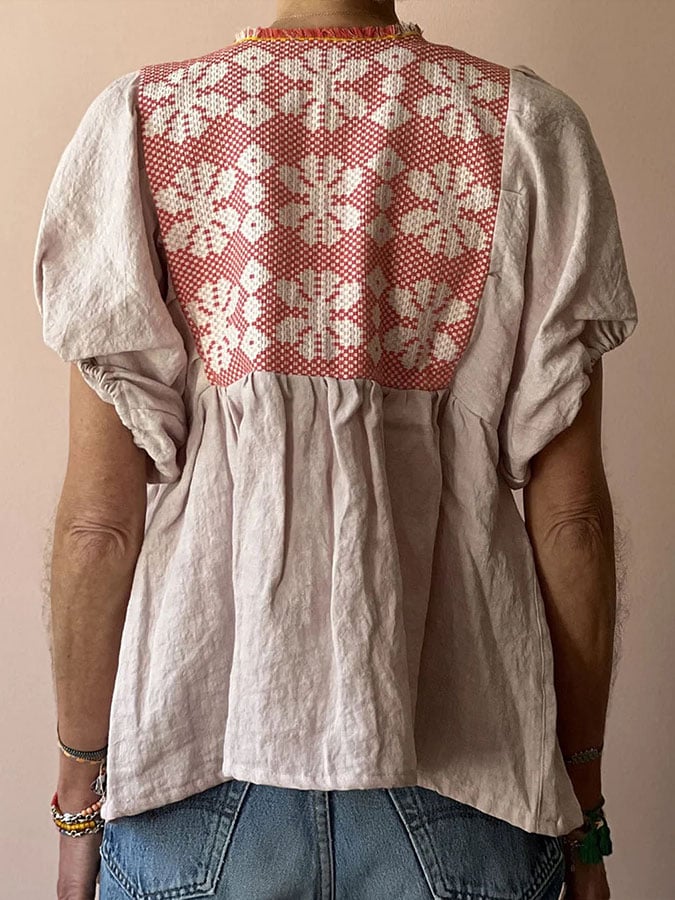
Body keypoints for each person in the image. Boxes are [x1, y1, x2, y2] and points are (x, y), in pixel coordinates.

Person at [33, 1, 638, 898]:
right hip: (468, 778)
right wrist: (582, 804)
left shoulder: (142, 124)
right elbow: (572, 521)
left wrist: (79, 800)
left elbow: (98, 528)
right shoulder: (528, 129)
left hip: (194, 769)